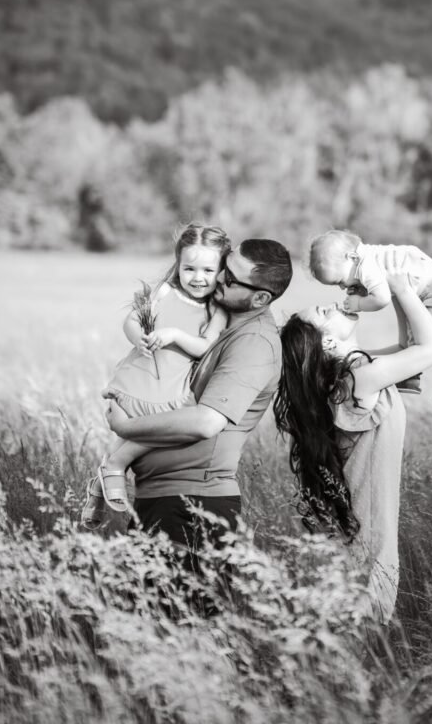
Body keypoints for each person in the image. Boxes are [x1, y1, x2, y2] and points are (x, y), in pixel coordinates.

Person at [104, 238, 293, 564]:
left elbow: (207, 422)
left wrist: (125, 425)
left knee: (183, 611)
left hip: (194, 504)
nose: (217, 278)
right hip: (165, 497)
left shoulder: (255, 343)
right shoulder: (220, 320)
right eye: (223, 266)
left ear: (260, 297)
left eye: (229, 278)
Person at [274, 265, 432, 623]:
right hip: (367, 534)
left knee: (348, 634)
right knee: (359, 629)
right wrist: (401, 288)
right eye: (323, 313)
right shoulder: (359, 380)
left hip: (361, 529)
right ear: (328, 344)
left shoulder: (354, 375)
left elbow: (406, 348)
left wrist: (399, 295)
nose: (331, 304)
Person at [81, 223, 230, 528]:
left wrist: (174, 334)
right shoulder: (165, 292)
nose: (198, 278)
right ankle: (106, 478)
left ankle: (107, 475)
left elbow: (204, 346)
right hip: (143, 374)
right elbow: (131, 320)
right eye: (189, 269)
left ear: (221, 270)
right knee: (129, 432)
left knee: (162, 429)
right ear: (178, 265)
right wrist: (138, 338)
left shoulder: (217, 309)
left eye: (207, 270)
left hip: (171, 386)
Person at [309, 229, 432, 401]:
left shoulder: (366, 266)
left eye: (340, 281)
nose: (342, 287)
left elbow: (382, 298)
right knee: (414, 339)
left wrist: (358, 303)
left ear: (352, 258)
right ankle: (409, 377)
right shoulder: (365, 260)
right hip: (423, 289)